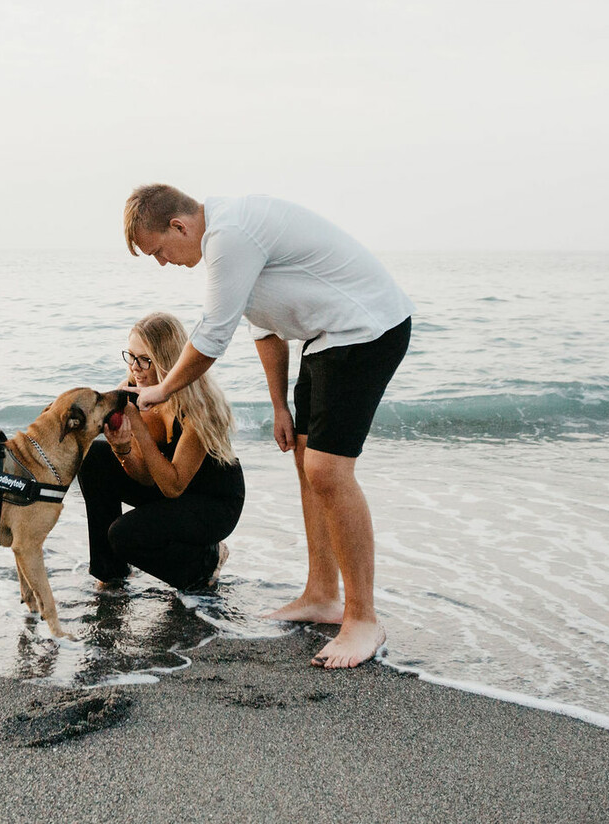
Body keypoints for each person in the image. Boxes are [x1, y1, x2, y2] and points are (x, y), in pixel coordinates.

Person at [122, 185, 412, 668]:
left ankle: (363, 618)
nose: (163, 262)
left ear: (179, 226)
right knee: (305, 459)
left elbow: (213, 333)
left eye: (159, 251)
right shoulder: (226, 244)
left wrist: (162, 389)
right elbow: (265, 328)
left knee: (328, 471)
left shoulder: (228, 235)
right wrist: (280, 405)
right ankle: (322, 593)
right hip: (323, 338)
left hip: (366, 330)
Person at [79, 311, 245, 593]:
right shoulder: (133, 391)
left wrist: (139, 431)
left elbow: (172, 487)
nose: (136, 368)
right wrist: (122, 449)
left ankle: (206, 561)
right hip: (171, 488)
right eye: (130, 356)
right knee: (94, 458)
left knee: (124, 535)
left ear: (169, 361)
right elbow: (145, 477)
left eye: (146, 359)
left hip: (213, 502)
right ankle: (111, 573)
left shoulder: (199, 409)